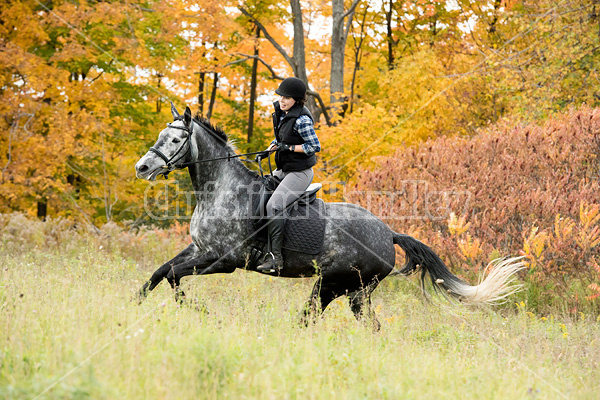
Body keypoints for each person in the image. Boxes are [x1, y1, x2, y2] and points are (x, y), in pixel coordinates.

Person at [256, 77, 321, 272]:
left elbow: (314, 147)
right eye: (281, 96)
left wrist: (289, 147)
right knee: (256, 189)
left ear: (297, 100)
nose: (282, 100)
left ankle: (276, 259)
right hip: (284, 170)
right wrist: (269, 150)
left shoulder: (301, 119)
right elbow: (280, 139)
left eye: (287, 98)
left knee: (274, 205)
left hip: (300, 173)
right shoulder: (282, 113)